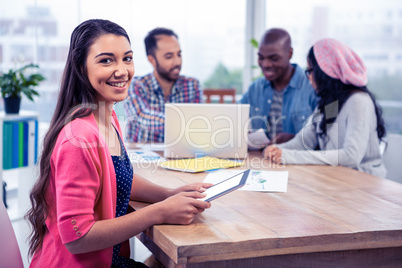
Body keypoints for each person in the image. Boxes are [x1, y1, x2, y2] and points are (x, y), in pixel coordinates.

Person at [26, 19, 211, 267]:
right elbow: (77, 238)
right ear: (81, 68)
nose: (122, 70)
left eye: (127, 58)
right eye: (106, 60)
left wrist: (167, 195)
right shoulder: (78, 139)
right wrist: (160, 211)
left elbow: (115, 176)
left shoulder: (107, 115)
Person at [263, 38, 387, 178]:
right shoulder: (331, 103)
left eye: (310, 71)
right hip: (337, 178)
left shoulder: (358, 101)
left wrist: (289, 156)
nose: (308, 77)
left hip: (363, 182)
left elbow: (351, 156)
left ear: (326, 71)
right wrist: (276, 150)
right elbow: (304, 142)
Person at [123, 27, 202, 144]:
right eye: (169, 57)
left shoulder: (192, 85)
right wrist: (184, 123)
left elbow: (198, 125)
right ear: (152, 60)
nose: (177, 62)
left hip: (180, 156)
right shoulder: (136, 85)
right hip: (142, 157)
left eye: (179, 55)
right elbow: (142, 117)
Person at [240, 28, 318, 145]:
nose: (265, 64)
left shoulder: (312, 87)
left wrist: (295, 140)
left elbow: (326, 138)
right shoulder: (255, 89)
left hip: (298, 161)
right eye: (261, 57)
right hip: (263, 159)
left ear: (290, 53)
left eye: (274, 58)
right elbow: (234, 119)